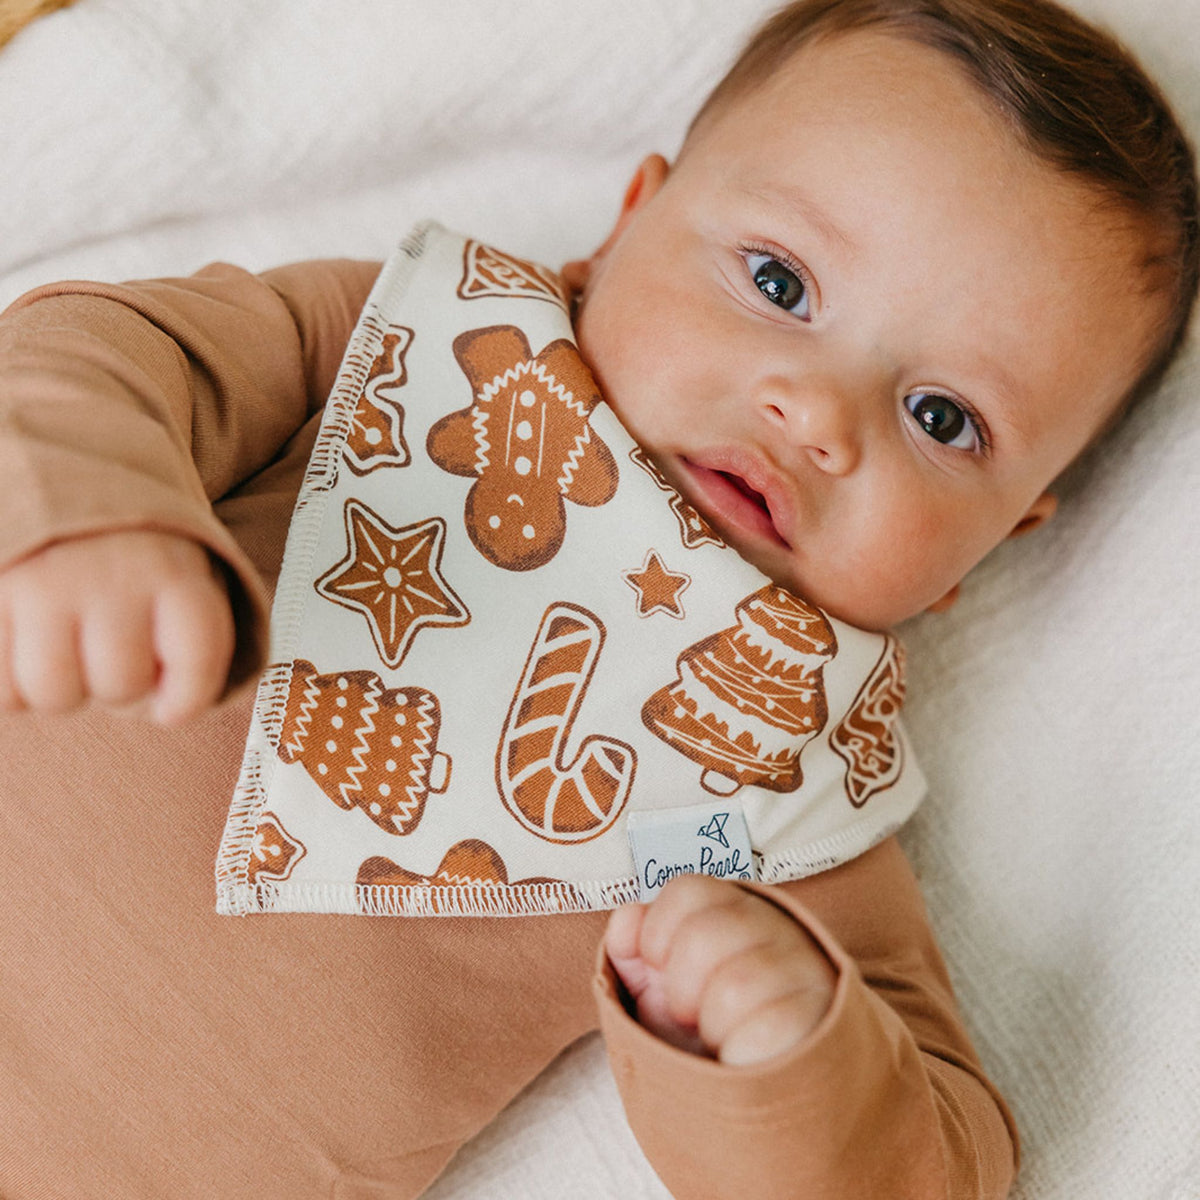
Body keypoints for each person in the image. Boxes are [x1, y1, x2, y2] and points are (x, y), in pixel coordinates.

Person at [0, 0, 1194, 1197]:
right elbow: (105, 354)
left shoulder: (782, 794)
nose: (816, 413)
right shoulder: (417, 343)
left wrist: (792, 1058)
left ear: (999, 540)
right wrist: (94, 503)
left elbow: (933, 1167)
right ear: (630, 224)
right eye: (778, 281)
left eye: (944, 419)